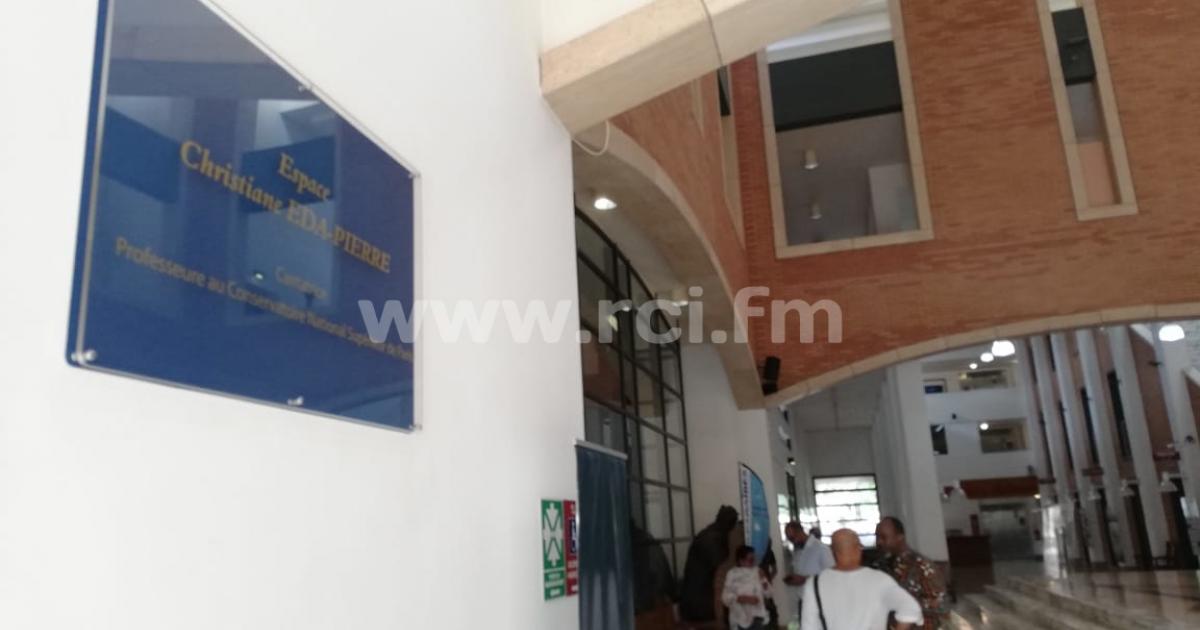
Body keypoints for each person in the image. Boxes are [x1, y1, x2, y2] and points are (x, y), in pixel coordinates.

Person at [800, 529, 922, 630]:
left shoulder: (814, 583)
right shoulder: (880, 580)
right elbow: (911, 609)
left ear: (833, 551)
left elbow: (809, 627)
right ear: (859, 548)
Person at [873, 517, 948, 630]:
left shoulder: (921, 565)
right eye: (877, 537)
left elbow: (941, 605)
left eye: (883, 537)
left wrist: (904, 603)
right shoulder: (881, 565)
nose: (879, 542)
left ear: (900, 537)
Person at [680, 505, 740, 623]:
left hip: (697, 599)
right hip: (701, 603)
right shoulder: (712, 538)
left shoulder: (710, 534)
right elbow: (721, 567)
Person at [784, 521, 834, 615]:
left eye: (792, 538)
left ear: (800, 531)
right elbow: (799, 570)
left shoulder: (821, 549)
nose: (791, 541)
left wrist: (805, 579)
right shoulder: (797, 550)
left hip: (818, 600)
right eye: (789, 538)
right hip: (802, 599)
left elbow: (831, 575)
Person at [721, 546, 769, 630]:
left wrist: (764, 579)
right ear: (741, 560)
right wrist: (741, 598)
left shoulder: (758, 571)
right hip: (739, 618)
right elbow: (725, 597)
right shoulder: (732, 573)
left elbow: (769, 594)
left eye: (754, 559)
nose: (753, 562)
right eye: (750, 560)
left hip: (757, 617)